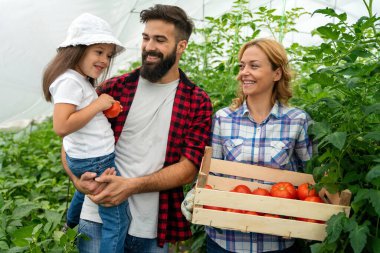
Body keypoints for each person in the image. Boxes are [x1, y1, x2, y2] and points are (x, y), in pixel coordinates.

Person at [60, 4, 213, 253]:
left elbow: (188, 169)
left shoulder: (196, 100)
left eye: (160, 40)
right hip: (97, 217)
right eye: (146, 38)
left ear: (181, 46)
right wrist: (78, 181)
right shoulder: (114, 89)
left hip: (151, 228)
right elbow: (71, 139)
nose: (149, 47)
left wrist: (131, 186)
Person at [181, 38, 314, 253]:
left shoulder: (297, 121)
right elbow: (212, 174)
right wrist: (197, 194)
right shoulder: (224, 119)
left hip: (277, 241)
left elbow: (311, 178)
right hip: (226, 241)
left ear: (277, 73)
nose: (244, 72)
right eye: (242, 66)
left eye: (254, 66)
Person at [42, 13, 128, 253]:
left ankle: (69, 224)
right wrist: (98, 105)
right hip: (96, 159)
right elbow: (61, 126)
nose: (104, 60)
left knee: (84, 192)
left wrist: (103, 110)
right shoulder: (70, 81)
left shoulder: (79, 80)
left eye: (108, 55)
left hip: (85, 158)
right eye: (98, 52)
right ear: (78, 50)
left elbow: (80, 118)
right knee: (118, 219)